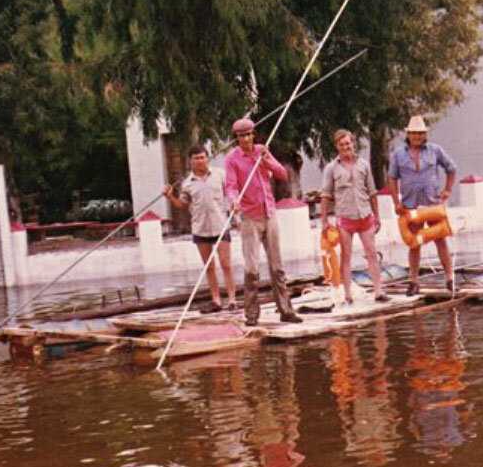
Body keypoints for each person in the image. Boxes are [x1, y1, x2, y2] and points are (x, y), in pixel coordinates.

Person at [224, 117, 303, 326]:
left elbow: (282, 174)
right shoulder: (232, 159)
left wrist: (266, 159)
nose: (246, 139)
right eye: (241, 136)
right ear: (237, 138)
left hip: (270, 214)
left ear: (253, 135)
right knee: (251, 269)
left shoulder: (261, 151)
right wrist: (233, 201)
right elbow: (230, 186)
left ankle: (285, 310)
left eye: (248, 135)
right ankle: (251, 314)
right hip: (250, 218)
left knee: (277, 266)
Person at [387, 114, 457, 295]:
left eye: (420, 133)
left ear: (425, 134)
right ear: (408, 134)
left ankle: (450, 278)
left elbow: (451, 168)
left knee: (440, 240)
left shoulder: (435, 150)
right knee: (414, 243)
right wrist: (396, 201)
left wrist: (447, 190)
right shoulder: (398, 154)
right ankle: (414, 281)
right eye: (414, 133)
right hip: (410, 205)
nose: (417, 136)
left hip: (432, 203)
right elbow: (392, 178)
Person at [162, 144, 237, 312]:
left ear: (207, 158)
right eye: (196, 158)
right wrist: (169, 196)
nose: (200, 161)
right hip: (200, 228)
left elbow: (232, 192)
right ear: (190, 161)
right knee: (209, 266)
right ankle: (216, 300)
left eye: (203, 157)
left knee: (226, 264)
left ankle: (232, 299)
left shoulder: (220, 175)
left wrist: (234, 204)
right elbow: (182, 204)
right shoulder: (187, 183)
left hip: (221, 226)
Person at [320, 128, 387, 304]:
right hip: (345, 218)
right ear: (337, 146)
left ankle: (378, 291)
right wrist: (324, 220)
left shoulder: (363, 164)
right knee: (346, 256)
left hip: (365, 215)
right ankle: (347, 294)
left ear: (353, 143)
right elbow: (326, 195)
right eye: (342, 144)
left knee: (371, 254)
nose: (345, 147)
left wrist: (377, 215)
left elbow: (372, 192)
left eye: (348, 143)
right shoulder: (331, 168)